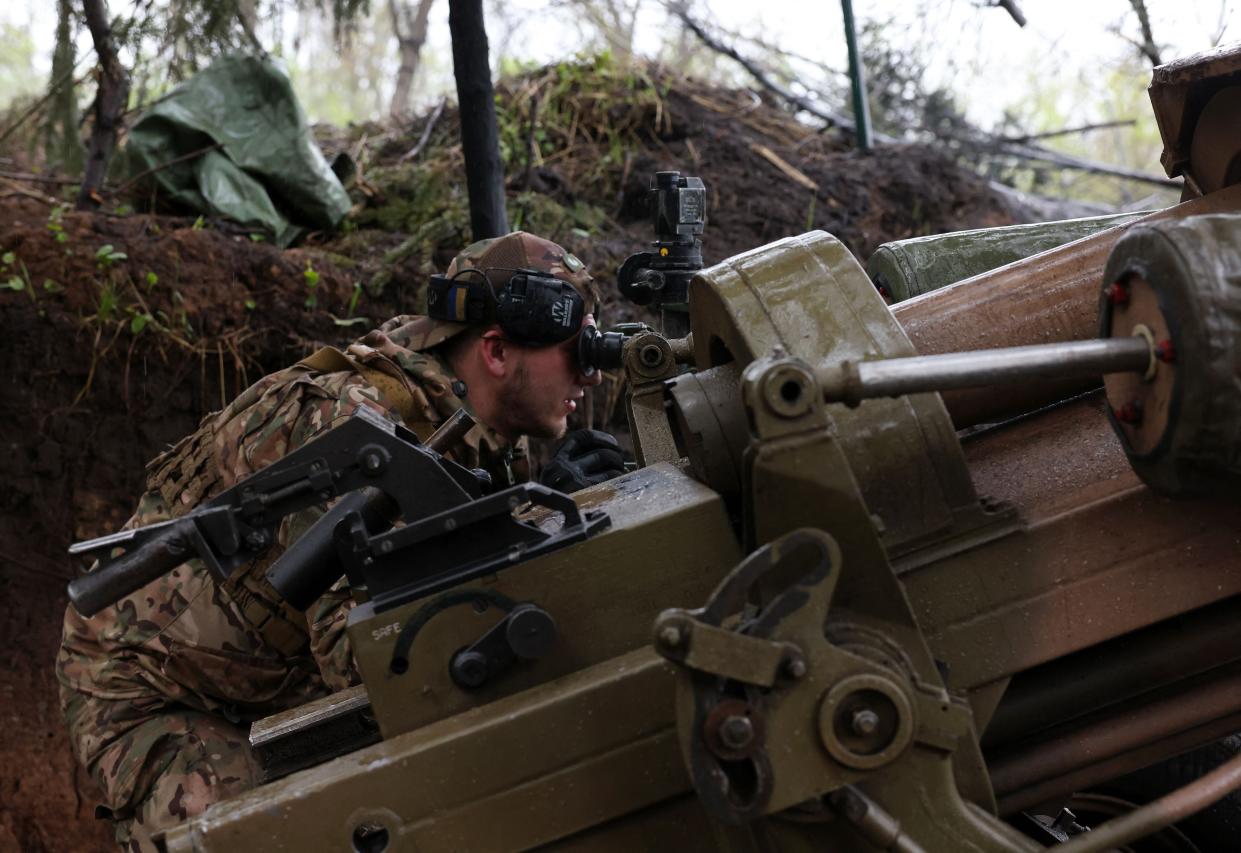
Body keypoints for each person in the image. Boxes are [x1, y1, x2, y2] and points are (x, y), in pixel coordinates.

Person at [56, 231, 627, 852]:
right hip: (158, 692)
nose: (592, 377)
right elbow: (368, 663)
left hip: (276, 671)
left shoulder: (475, 428)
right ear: (494, 352)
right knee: (280, 832)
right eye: (579, 356)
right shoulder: (362, 433)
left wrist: (551, 518)